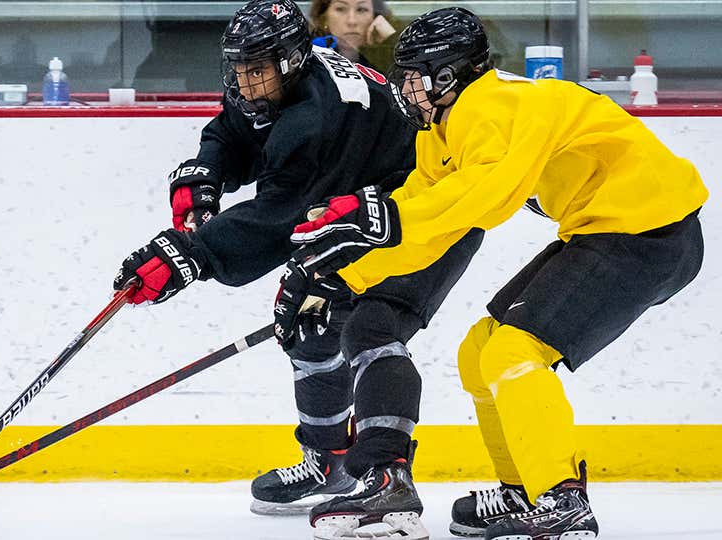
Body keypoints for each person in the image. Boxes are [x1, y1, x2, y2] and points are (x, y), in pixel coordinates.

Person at [281, 7, 708, 540]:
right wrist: (340, 280)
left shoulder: (496, 104)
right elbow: (425, 217)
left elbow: (482, 199)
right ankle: (523, 490)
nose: (402, 89)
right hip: (606, 231)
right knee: (481, 351)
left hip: (649, 232)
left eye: (412, 77)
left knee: (513, 351)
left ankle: (562, 501)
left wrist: (383, 220)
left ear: (447, 76)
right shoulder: (441, 128)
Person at [112, 0, 482, 537]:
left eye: (256, 68)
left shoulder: (315, 116)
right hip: (354, 210)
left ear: (290, 61)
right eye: (237, 67)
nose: (245, 79)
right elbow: (233, 130)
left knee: (370, 327)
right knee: (306, 321)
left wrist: (192, 255)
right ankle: (330, 461)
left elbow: (279, 220)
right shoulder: (273, 83)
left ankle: (387, 479)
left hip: (423, 214)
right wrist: (204, 175)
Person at [308, 0, 398, 72]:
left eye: (361, 10)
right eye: (341, 9)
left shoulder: (382, 59)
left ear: (375, 17)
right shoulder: (309, 58)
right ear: (324, 19)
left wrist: (390, 41)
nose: (352, 21)